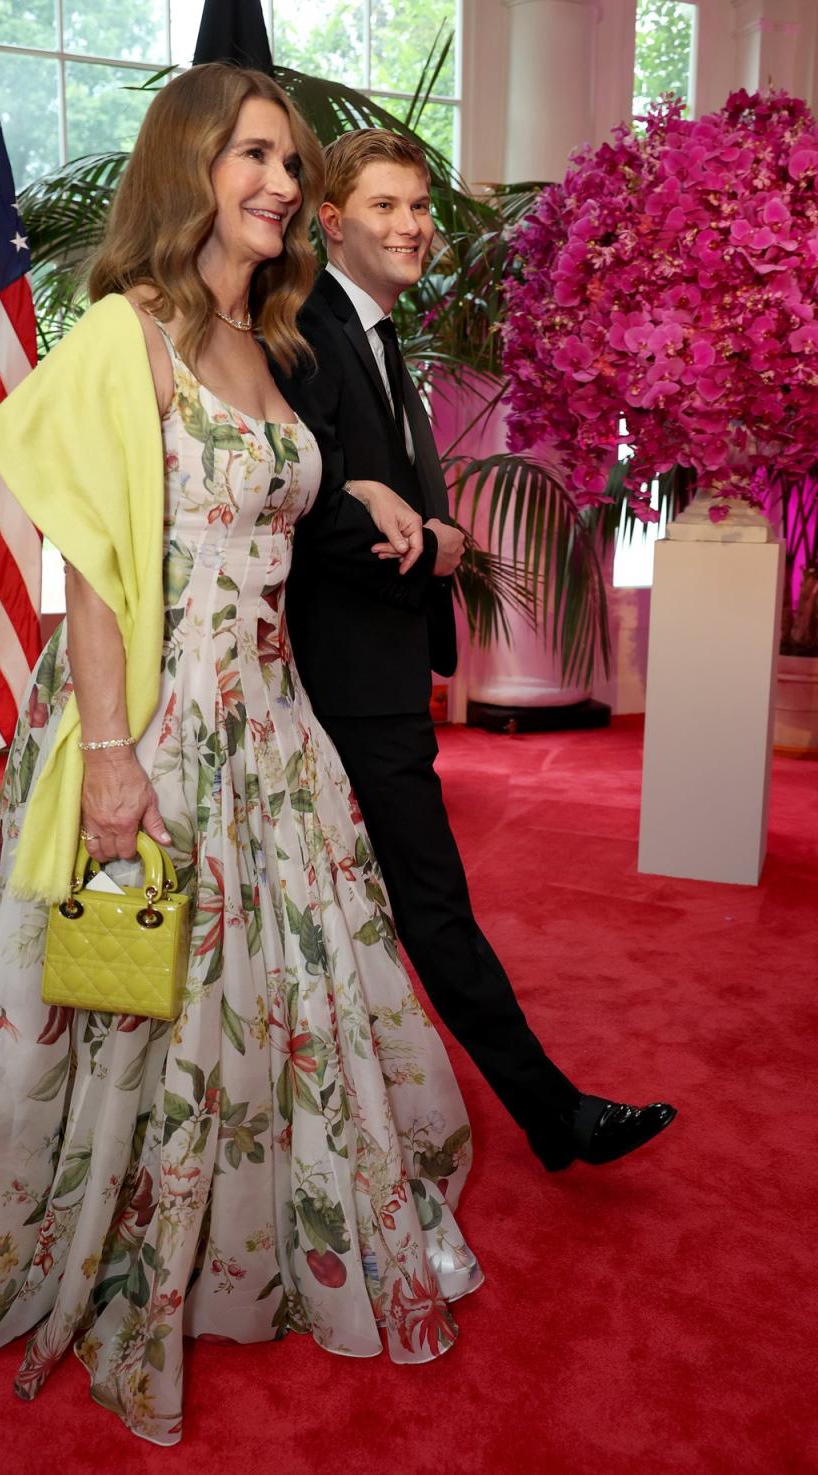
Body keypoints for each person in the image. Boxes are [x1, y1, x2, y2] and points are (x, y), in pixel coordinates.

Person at [0, 70, 483, 1447]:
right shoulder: (123, 331)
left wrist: (370, 486)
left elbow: (281, 491)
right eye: (253, 154)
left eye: (290, 159)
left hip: (271, 722)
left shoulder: (263, 340)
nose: (279, 180)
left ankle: (253, 1231)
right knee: (143, 989)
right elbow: (97, 563)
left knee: (280, 981)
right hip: (154, 713)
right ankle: (116, 1237)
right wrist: (107, 755)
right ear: (189, 164)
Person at [274, 129, 677, 1172]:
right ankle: (554, 1112)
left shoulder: (379, 331)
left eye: (419, 206)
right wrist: (436, 543)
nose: (411, 225)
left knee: (375, 900)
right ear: (328, 220)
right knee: (428, 899)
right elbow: (312, 514)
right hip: (344, 676)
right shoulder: (306, 334)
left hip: (381, 667)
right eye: (384, 207)